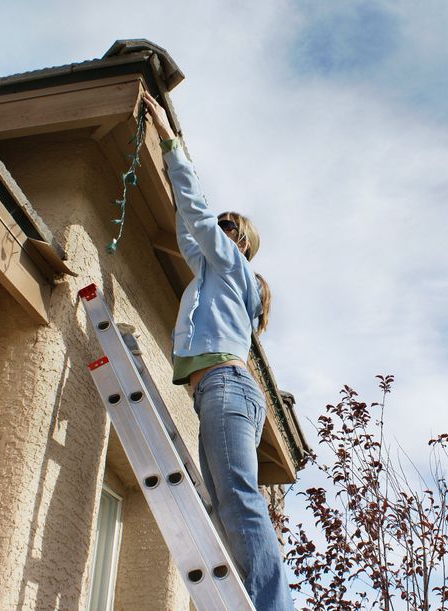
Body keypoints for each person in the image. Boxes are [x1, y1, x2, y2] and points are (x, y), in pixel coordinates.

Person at [141, 90, 294, 611]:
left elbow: (198, 218)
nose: (219, 231)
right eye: (221, 227)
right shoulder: (214, 273)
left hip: (226, 388)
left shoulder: (232, 266)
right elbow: (190, 229)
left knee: (242, 504)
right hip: (220, 392)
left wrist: (169, 142)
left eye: (229, 228)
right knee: (226, 509)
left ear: (241, 242)